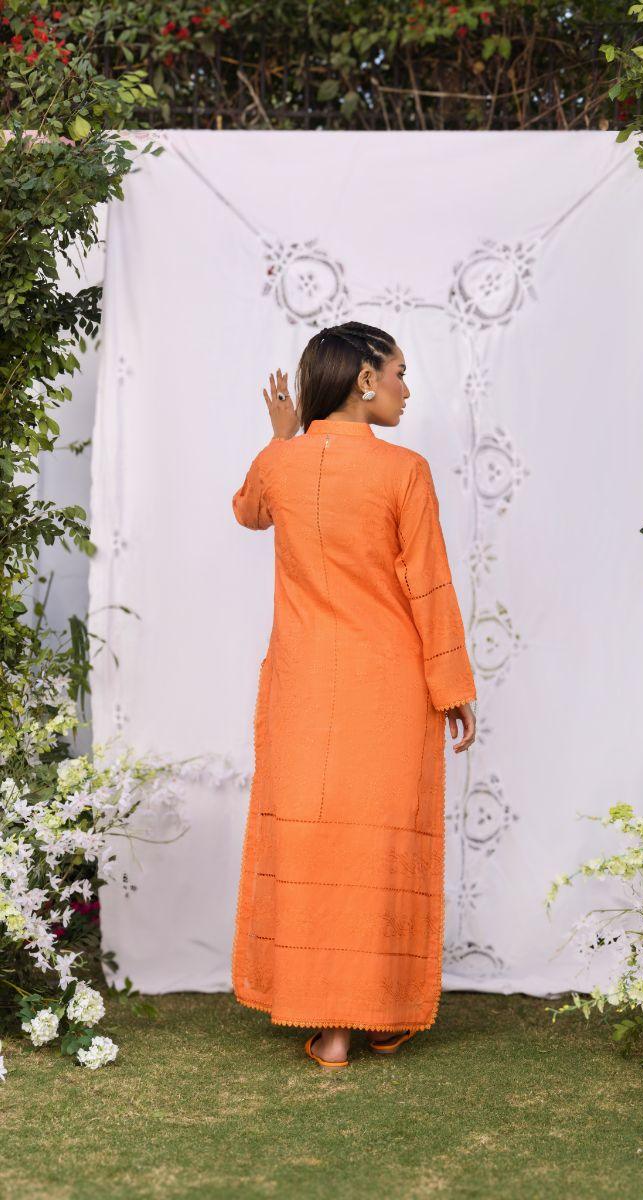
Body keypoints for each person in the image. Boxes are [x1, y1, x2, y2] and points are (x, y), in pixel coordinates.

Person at [231, 321, 477, 1069]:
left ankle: (330, 1033)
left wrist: (283, 437)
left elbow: (249, 511)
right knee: (377, 848)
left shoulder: (280, 464)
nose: (407, 388)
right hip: (389, 685)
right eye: (398, 372)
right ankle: (375, 1015)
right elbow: (428, 584)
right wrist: (452, 686)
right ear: (365, 380)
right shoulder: (404, 471)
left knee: (313, 840)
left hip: (305, 685)